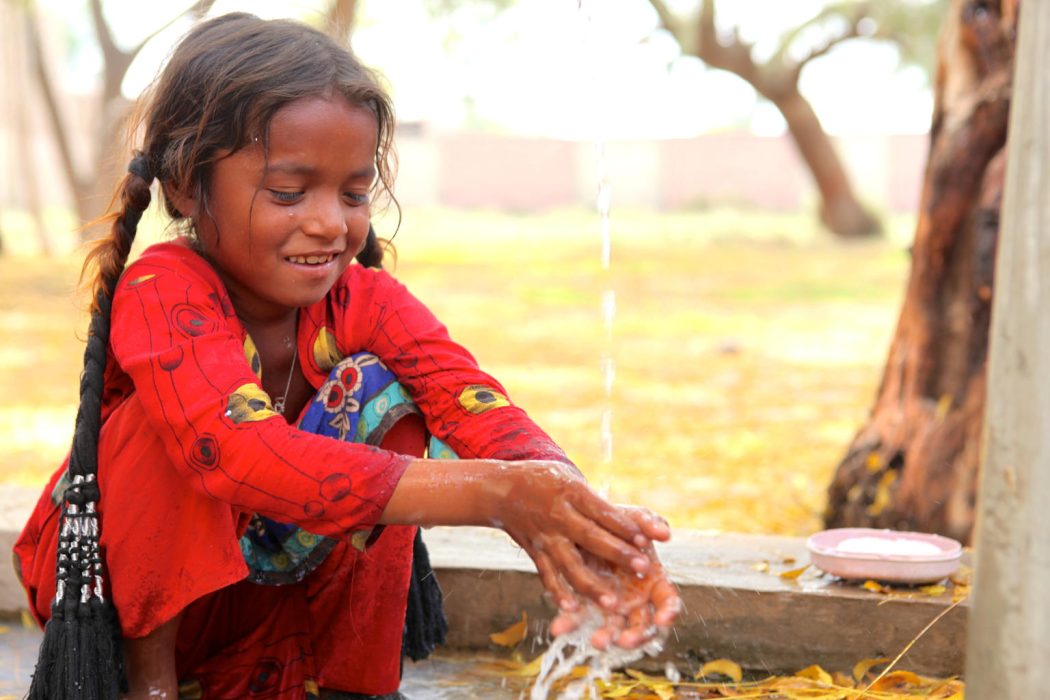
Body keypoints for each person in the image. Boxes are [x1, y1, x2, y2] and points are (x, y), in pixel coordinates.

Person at [13, 12, 680, 700]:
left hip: (256, 599)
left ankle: (352, 681)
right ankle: (145, 686)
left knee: (382, 390)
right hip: (119, 596)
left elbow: (470, 400)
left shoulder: (365, 300)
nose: (331, 222)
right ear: (186, 184)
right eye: (288, 192)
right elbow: (238, 451)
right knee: (177, 430)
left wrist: (570, 508)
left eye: (354, 192)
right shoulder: (163, 288)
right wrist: (497, 494)